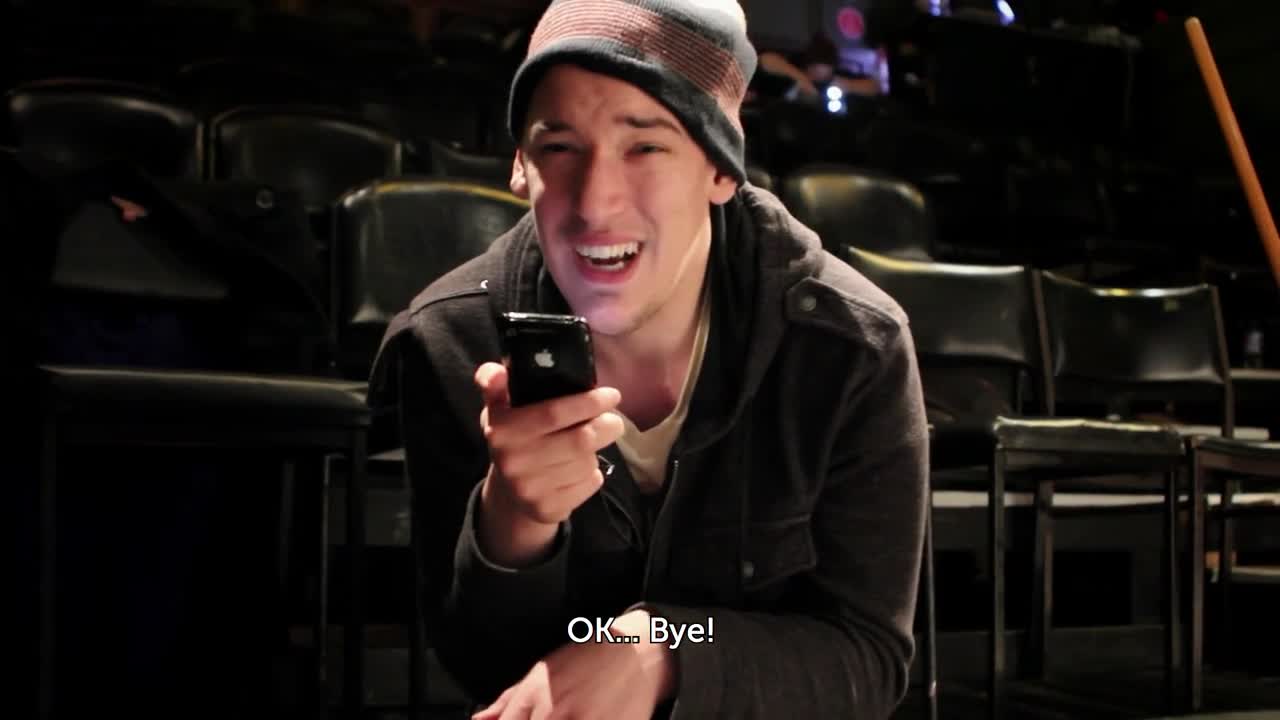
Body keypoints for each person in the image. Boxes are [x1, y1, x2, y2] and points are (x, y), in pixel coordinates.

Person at [368, 0, 929, 717]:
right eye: (559, 146)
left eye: (645, 147)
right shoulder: (451, 338)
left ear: (722, 169)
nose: (595, 203)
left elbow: (868, 657)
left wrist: (664, 647)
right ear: (520, 166)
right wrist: (512, 527)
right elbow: (478, 666)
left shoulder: (850, 347)